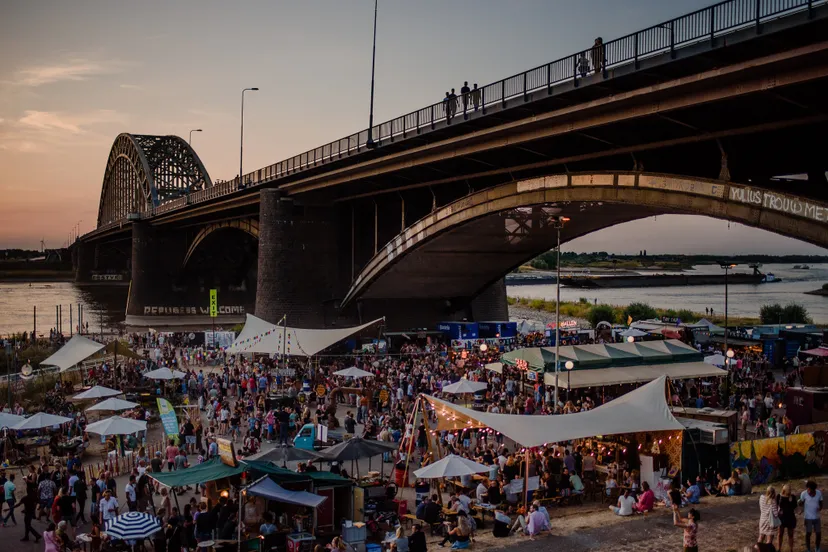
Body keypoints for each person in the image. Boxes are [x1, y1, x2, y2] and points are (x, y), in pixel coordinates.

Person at [800, 480, 823, 552]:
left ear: (814, 489)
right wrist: (799, 503)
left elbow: (821, 503)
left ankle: (817, 548)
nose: (808, 491)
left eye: (810, 489)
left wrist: (820, 508)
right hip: (808, 518)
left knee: (818, 534)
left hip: (816, 518)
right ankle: (808, 549)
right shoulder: (803, 494)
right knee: (808, 534)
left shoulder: (819, 493)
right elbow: (801, 503)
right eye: (807, 489)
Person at [776, 483, 796, 552]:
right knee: (780, 534)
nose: (789, 491)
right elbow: (776, 505)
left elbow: (794, 506)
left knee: (790, 534)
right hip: (781, 518)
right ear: (784, 490)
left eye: (790, 490)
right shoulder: (779, 496)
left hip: (790, 517)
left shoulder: (792, 497)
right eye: (788, 490)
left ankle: (791, 549)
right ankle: (779, 549)